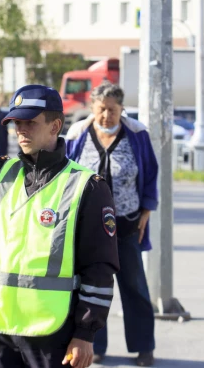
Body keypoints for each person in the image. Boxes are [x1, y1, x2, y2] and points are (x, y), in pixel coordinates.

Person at [0, 65, 119, 368]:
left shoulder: (87, 187)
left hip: (50, 332)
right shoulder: (1, 174)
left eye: (29, 122)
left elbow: (99, 268)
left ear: (55, 126)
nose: (20, 130)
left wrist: (85, 333)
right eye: (15, 123)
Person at [66, 83, 158, 367]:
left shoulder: (138, 134)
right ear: (93, 109)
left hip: (127, 225)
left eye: (112, 110)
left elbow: (151, 175)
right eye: (101, 109)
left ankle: (144, 348)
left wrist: (146, 212)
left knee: (135, 287)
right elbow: (66, 173)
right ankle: (94, 344)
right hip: (88, 230)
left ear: (122, 109)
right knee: (90, 288)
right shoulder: (78, 133)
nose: (106, 115)